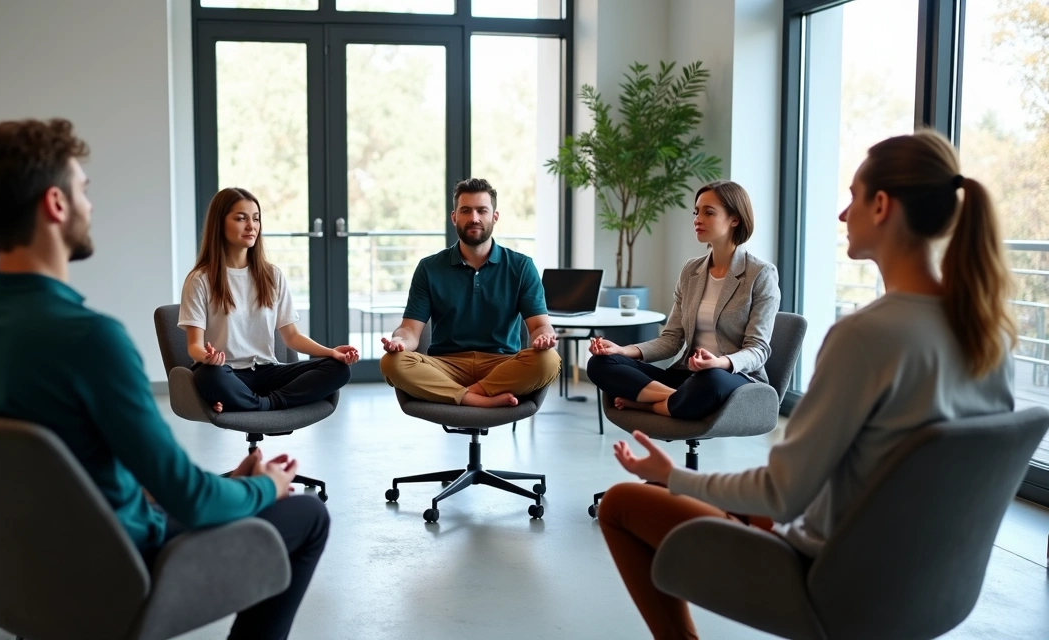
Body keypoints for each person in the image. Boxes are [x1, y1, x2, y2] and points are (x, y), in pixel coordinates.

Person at [597, 130, 1016, 640]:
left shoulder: (865, 336)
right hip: (928, 584)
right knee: (715, 499)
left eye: (853, 197)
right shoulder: (990, 336)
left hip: (833, 580)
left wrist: (673, 475)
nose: (842, 214)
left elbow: (782, 492)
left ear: (882, 206)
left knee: (621, 504)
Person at [0, 119, 327, 640]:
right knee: (308, 515)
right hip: (115, 567)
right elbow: (191, 500)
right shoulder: (91, 339)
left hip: (17, 570)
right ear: (56, 204)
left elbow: (70, 473)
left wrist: (232, 483)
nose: (90, 206)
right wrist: (263, 487)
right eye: (83, 190)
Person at [586, 180, 779, 419]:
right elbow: (671, 340)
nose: (698, 219)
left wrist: (719, 363)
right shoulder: (691, 270)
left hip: (729, 377)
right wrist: (623, 351)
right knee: (601, 363)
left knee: (710, 381)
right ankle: (677, 399)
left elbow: (758, 349)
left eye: (709, 212)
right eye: (696, 212)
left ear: (735, 219)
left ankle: (651, 404)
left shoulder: (760, 274)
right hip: (687, 378)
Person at [379, 178, 560, 407]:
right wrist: (400, 341)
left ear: (494, 217)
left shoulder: (522, 266)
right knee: (391, 362)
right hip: (445, 366)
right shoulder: (429, 268)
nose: (474, 218)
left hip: (502, 365)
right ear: (454, 217)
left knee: (549, 360)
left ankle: (466, 395)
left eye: (482, 210)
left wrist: (544, 337)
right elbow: (409, 330)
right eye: (466, 211)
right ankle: (480, 399)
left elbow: (539, 326)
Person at [180, 187, 355, 414]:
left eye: (256, 219)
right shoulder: (200, 279)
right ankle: (265, 402)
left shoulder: (272, 275)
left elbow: (292, 336)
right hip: (225, 372)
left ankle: (259, 403)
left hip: (267, 371)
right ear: (219, 224)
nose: (251, 226)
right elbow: (194, 346)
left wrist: (331, 352)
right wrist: (208, 357)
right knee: (207, 375)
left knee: (338, 369)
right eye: (241, 218)